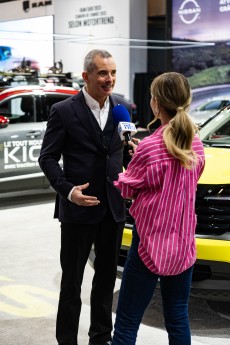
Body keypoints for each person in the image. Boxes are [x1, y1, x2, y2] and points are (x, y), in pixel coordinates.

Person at [39, 49, 132, 345]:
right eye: (103, 73)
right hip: (78, 209)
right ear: (86, 76)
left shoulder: (122, 108)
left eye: (113, 72)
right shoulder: (64, 110)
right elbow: (48, 158)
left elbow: (122, 153)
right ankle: (67, 340)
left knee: (106, 281)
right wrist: (68, 191)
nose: (110, 79)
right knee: (72, 282)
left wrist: (134, 154)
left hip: (114, 209)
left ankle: (101, 337)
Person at [111, 72, 205, 345]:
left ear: (156, 104)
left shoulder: (149, 147)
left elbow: (127, 189)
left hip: (148, 244)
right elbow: (187, 177)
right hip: (183, 243)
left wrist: (136, 160)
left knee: (128, 321)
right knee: (177, 318)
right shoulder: (196, 144)